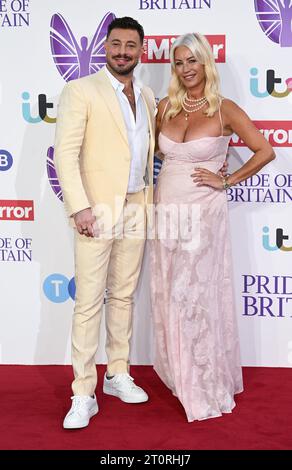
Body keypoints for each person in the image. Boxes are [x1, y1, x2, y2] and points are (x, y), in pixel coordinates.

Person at [150, 33, 275, 422]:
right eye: (179, 62)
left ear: (206, 63)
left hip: (205, 212)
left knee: (198, 294)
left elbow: (265, 151)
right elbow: (155, 153)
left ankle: (203, 380)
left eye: (193, 61)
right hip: (168, 211)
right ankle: (180, 371)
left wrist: (227, 179)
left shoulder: (225, 110)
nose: (186, 69)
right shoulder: (165, 109)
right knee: (171, 292)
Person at [54, 17, 156, 429]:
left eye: (131, 46)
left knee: (125, 296)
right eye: (116, 44)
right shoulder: (82, 90)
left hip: (137, 206)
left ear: (141, 51)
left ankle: (116, 373)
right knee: (88, 302)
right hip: (96, 210)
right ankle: (82, 392)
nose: (122, 53)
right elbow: (66, 152)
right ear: (105, 47)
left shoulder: (147, 95)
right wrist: (79, 207)